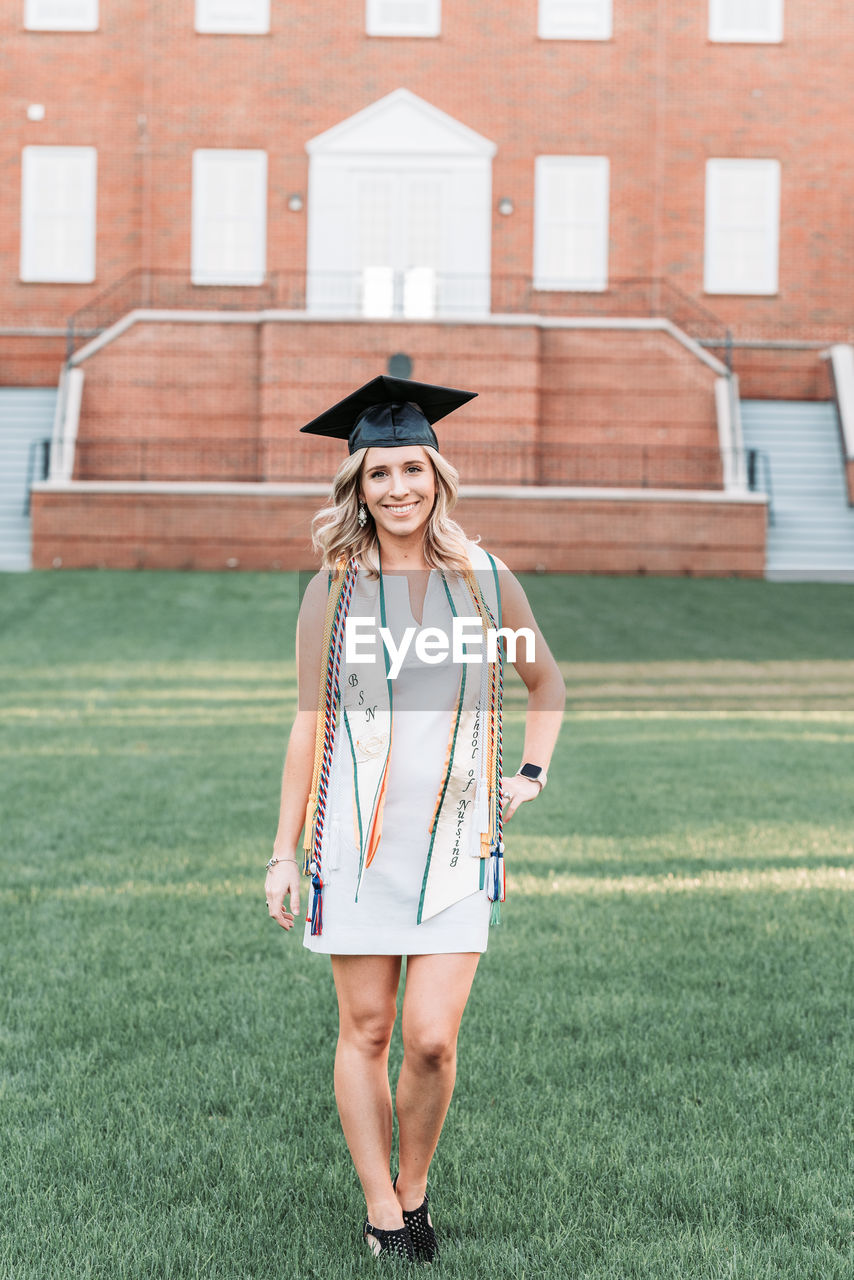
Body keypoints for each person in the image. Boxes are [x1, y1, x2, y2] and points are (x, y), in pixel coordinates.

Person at [264, 375, 565, 1262]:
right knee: (366, 1031)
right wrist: (283, 852)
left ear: (437, 475)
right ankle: (380, 1213)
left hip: (460, 844)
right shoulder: (335, 592)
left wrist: (530, 775)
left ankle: (416, 1187)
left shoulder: (485, 582)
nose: (398, 489)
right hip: (355, 847)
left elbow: (545, 684)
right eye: (378, 474)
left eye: (412, 469)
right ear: (356, 487)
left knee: (431, 1041)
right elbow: (310, 724)